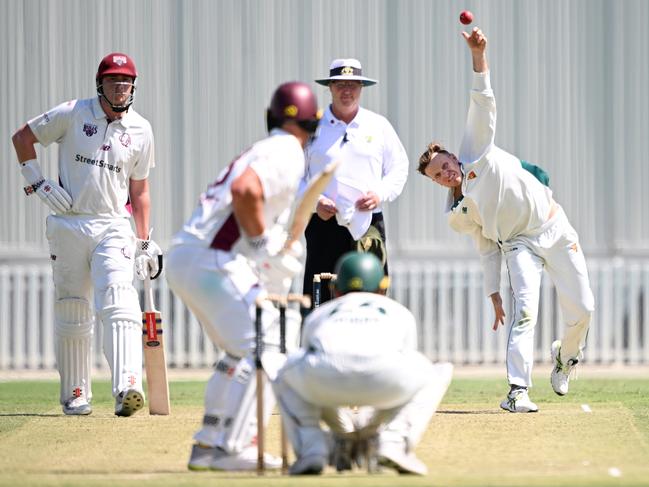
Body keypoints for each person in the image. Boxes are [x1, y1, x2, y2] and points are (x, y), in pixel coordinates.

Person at [417, 27, 594, 413]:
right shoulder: (456, 214)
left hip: (554, 226)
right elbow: (484, 247)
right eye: (437, 175)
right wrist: (493, 293)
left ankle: (566, 358)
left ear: (452, 156)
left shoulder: (475, 149)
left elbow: (484, 100)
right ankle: (518, 391)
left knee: (583, 309)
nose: (446, 173)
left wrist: (479, 55)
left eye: (445, 165)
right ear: (434, 183)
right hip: (518, 244)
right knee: (524, 312)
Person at [164, 81, 322, 471]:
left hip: (189, 257)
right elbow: (245, 190)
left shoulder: (264, 147)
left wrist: (262, 248)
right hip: (212, 259)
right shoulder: (287, 151)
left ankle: (208, 443)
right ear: (313, 124)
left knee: (240, 353)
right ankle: (230, 449)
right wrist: (261, 245)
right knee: (269, 342)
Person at [11, 52, 160, 417]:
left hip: (112, 225)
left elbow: (140, 192)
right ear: (100, 84)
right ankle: (76, 394)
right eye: (113, 81)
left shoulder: (141, 130)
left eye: (126, 82)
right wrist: (39, 183)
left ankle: (127, 385)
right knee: (73, 309)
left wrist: (143, 243)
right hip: (68, 222)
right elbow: (22, 138)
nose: (120, 88)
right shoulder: (73, 113)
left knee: (120, 299)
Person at [273, 251, 453, 475]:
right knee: (438, 371)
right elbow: (407, 361)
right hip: (386, 383)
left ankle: (313, 448)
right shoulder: (399, 312)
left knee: (283, 369)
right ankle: (393, 442)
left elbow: (308, 358)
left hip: (325, 384)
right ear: (381, 288)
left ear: (335, 288)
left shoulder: (321, 314)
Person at [301, 58, 409, 305]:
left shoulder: (378, 125)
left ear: (361, 88)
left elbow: (398, 168)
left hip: (367, 223)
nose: (346, 91)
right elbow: (296, 175)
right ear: (330, 87)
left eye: (353, 84)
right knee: (320, 295)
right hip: (323, 222)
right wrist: (315, 202)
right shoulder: (312, 127)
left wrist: (379, 194)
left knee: (370, 293)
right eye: (340, 84)